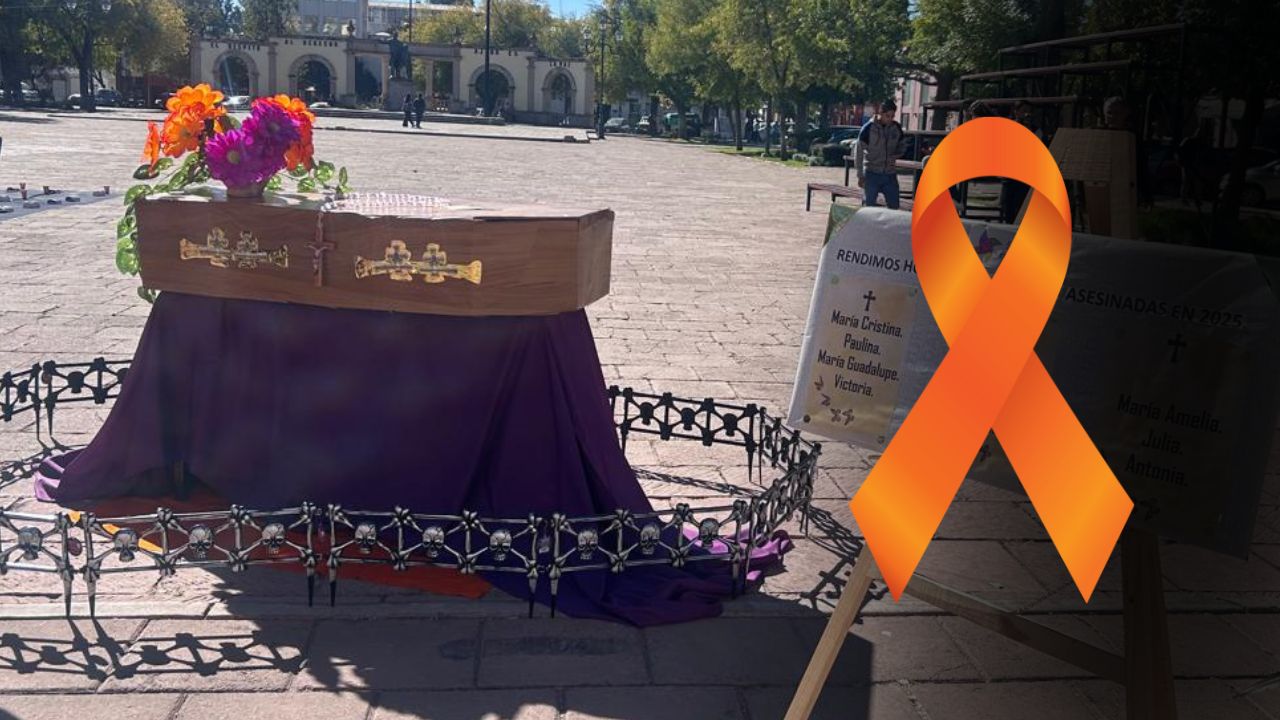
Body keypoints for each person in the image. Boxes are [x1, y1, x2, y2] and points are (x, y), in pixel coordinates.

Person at [855, 99, 906, 209]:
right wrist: (860, 175)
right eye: (887, 116)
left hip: (890, 174)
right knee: (869, 208)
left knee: (894, 206)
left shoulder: (896, 128)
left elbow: (903, 145)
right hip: (872, 173)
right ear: (880, 113)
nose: (890, 119)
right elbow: (858, 152)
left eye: (892, 116)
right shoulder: (868, 128)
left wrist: (896, 154)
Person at [1000, 100, 1042, 223]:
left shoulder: (1036, 130)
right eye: (1023, 111)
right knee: (1008, 204)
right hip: (1010, 173)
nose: (1026, 114)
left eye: (1029, 111)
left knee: (1022, 203)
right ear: (1016, 112)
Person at [1177, 119, 1214, 210]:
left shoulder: (1200, 142)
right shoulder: (1190, 141)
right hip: (1189, 165)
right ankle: (1186, 199)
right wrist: (1183, 162)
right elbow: (1180, 152)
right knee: (1188, 182)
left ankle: (1194, 199)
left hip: (1195, 165)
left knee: (1196, 183)